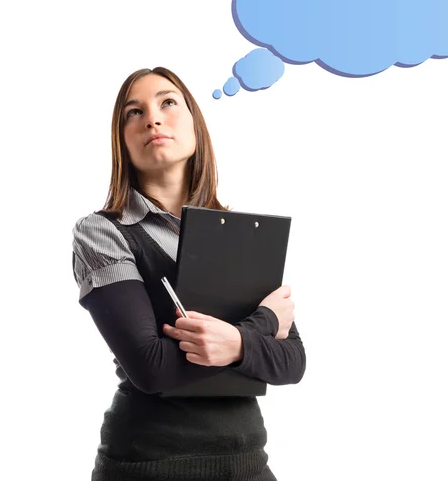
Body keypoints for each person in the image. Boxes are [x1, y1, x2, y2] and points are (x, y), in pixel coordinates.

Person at [71, 67, 306, 480]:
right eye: (133, 112)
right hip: (149, 466)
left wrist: (233, 341)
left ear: (195, 124)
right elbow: (151, 367)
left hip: (248, 463)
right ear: (121, 140)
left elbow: (292, 361)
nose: (152, 119)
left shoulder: (239, 230)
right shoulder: (103, 231)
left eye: (167, 103)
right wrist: (260, 326)